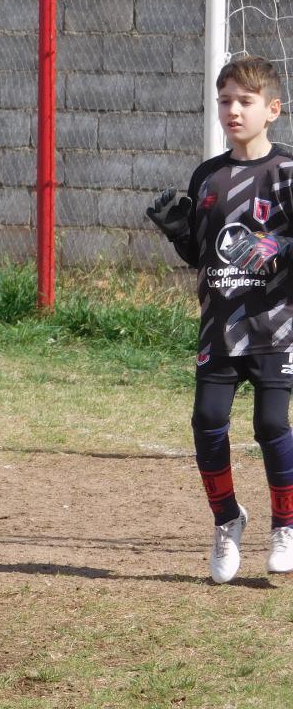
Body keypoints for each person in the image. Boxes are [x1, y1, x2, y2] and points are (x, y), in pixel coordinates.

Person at [147, 54, 293, 585]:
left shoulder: (286, 172)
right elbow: (200, 256)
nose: (233, 110)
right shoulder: (208, 175)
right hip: (220, 324)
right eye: (225, 100)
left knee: (271, 423)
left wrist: (276, 246)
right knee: (207, 420)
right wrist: (178, 232)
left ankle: (286, 524)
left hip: (276, 325)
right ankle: (227, 520)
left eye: (245, 101)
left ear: (272, 109)